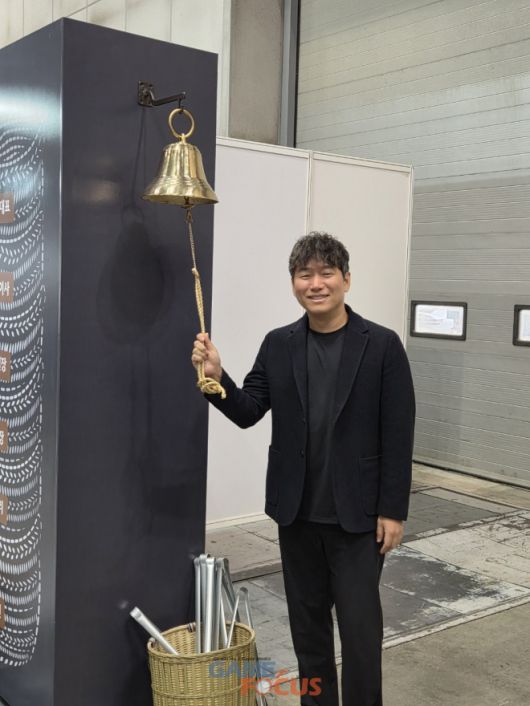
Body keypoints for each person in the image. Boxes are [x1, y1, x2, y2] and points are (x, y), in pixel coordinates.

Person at [191, 232, 415, 706]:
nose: (315, 284)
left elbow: (398, 432)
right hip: (297, 517)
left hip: (358, 520)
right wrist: (216, 377)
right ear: (293, 282)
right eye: (304, 274)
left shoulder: (381, 345)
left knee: (360, 636)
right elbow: (249, 410)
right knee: (308, 635)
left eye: (326, 273)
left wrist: (393, 510)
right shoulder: (279, 344)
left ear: (346, 279)